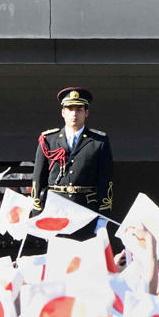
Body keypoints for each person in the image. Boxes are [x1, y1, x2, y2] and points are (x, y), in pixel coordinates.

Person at [31, 86, 113, 220]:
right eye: (70, 109)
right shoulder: (48, 140)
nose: (74, 114)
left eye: (79, 110)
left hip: (86, 212)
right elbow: (38, 179)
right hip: (54, 211)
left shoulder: (99, 142)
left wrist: (103, 219)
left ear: (86, 113)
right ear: (63, 112)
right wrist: (37, 214)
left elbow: (105, 181)